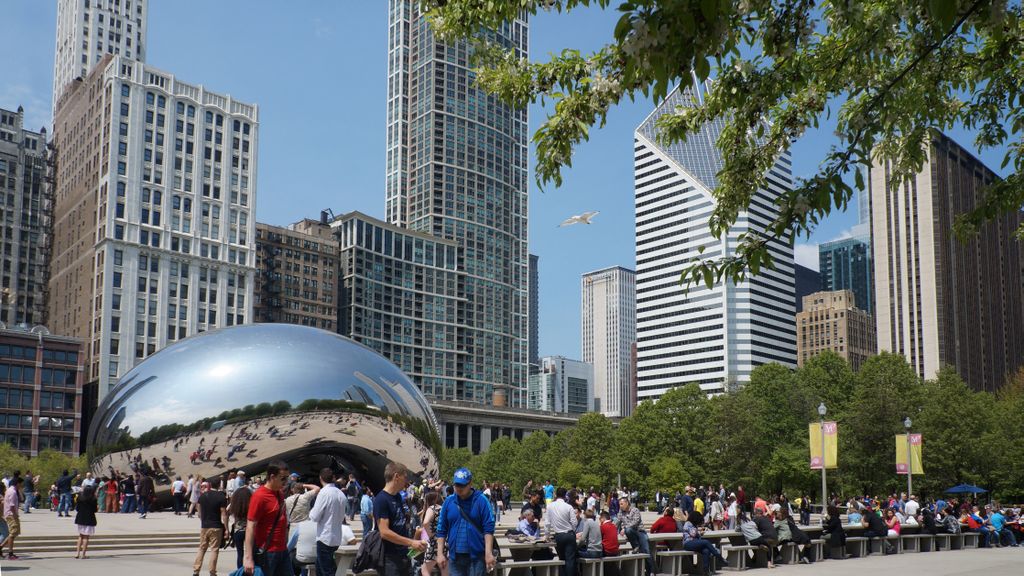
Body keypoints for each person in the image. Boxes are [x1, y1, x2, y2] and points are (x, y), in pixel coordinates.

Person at [375, 462, 426, 576]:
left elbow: (401, 526)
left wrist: (416, 540)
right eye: (405, 477)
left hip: (404, 555)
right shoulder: (381, 500)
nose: (407, 481)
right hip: (389, 559)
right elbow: (384, 532)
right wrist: (411, 542)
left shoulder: (398, 497)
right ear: (396, 476)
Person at [244, 460, 292, 576]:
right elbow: (250, 527)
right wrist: (248, 558)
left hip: (282, 550)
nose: (286, 482)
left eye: (287, 478)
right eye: (283, 478)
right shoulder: (260, 496)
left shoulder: (279, 493)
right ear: (272, 477)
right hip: (268, 552)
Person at [308, 468, 347, 576]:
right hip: (336, 536)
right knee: (320, 568)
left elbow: (314, 516)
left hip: (325, 536)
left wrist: (311, 511)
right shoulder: (341, 494)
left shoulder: (324, 493)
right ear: (333, 478)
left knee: (327, 571)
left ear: (320, 478)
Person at [194, 478, 228, 576]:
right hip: (216, 526)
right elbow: (224, 514)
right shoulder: (221, 497)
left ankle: (196, 570)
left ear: (209, 485)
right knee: (214, 549)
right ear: (219, 485)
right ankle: (212, 572)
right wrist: (227, 529)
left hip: (204, 526)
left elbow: (199, 511)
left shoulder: (203, 496)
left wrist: (203, 520)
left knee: (202, 548)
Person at [615, 497, 654, 576]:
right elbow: (616, 523)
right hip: (630, 533)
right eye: (619, 504)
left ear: (627, 503)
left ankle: (651, 571)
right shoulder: (620, 512)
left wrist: (625, 528)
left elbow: (635, 522)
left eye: (622, 504)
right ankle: (636, 546)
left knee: (646, 550)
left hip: (640, 531)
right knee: (628, 531)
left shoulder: (635, 510)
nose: (620, 506)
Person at [543, 487, 578, 576]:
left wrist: (547, 535)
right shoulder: (569, 506)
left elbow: (547, 523)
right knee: (570, 560)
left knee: (561, 559)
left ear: (555, 495)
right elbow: (574, 522)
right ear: (565, 496)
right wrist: (572, 531)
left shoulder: (550, 506)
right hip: (569, 534)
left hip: (559, 535)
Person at [681, 511, 726, 576]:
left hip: (694, 543)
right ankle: (719, 557)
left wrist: (699, 532)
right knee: (706, 542)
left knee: (706, 550)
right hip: (688, 544)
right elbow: (693, 534)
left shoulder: (694, 525)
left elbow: (696, 535)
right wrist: (697, 531)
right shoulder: (687, 524)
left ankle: (705, 571)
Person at [419, 491, 449, 576]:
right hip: (445, 540)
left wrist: (430, 534)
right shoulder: (444, 508)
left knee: (425, 570)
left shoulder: (432, 508)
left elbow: (425, 522)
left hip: (434, 542)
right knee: (445, 570)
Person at [228, 483, 252, 569]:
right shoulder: (250, 504)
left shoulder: (235, 504)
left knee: (240, 553)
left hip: (238, 530)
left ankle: (240, 570)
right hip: (249, 530)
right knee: (250, 552)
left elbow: (227, 512)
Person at [74, 485, 98, 559]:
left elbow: (77, 508)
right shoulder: (93, 498)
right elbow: (95, 510)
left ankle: (77, 553)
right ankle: (83, 554)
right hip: (89, 518)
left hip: (80, 517)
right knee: (86, 537)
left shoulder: (80, 498)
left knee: (80, 536)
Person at [3, 476, 22, 559]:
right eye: (20, 484)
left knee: (15, 532)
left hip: (10, 514)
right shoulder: (13, 492)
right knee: (13, 533)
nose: (21, 486)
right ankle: (10, 553)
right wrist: (15, 515)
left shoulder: (9, 490)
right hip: (11, 514)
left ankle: (1, 547)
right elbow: (12, 506)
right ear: (17, 483)